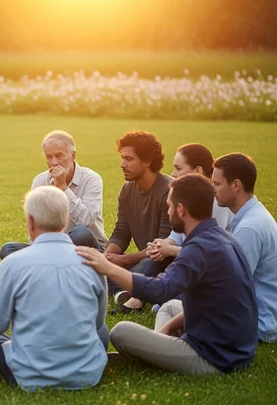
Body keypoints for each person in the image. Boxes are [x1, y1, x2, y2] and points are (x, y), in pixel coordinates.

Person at [77, 174, 258, 375]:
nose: (169, 211)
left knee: (121, 331)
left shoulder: (198, 249)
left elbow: (158, 290)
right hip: (236, 347)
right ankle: (156, 353)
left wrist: (108, 267)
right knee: (170, 307)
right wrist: (160, 339)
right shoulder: (222, 237)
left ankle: (153, 356)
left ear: (181, 210)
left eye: (170, 206)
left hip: (217, 358)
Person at [0, 186, 108, 390]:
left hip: (30, 373)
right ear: (65, 221)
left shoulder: (13, 264)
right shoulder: (93, 261)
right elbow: (98, 321)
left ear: (30, 222)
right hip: (87, 373)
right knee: (103, 330)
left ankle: (29, 355)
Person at [121, 143, 233, 312]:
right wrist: (161, 245)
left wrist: (170, 250)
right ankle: (137, 298)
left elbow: (211, 254)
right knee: (156, 256)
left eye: (178, 168)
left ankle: (146, 294)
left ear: (197, 171)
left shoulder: (216, 202)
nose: (173, 174)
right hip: (190, 261)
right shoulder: (190, 197)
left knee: (159, 307)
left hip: (210, 272)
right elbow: (176, 236)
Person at [0, 130, 107, 259]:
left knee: (81, 233)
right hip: (50, 245)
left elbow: (86, 220)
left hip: (86, 245)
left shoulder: (91, 179)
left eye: (59, 155)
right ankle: (53, 261)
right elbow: (35, 225)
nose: (54, 162)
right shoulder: (39, 181)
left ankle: (44, 264)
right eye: (49, 157)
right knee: (8, 249)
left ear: (72, 156)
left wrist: (63, 187)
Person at [104, 131, 172, 312]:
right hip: (140, 259)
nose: (122, 164)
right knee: (89, 257)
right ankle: (124, 288)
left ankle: (125, 288)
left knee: (142, 268)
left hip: (161, 261)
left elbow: (162, 246)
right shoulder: (127, 190)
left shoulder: (169, 191)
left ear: (148, 161)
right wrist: (106, 258)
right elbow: (121, 233)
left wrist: (123, 260)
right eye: (122, 158)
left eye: (128, 159)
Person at [212, 153, 276, 342]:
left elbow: (230, 287)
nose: (212, 189)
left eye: (216, 184)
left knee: (175, 311)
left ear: (236, 185)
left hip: (257, 324)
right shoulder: (253, 215)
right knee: (175, 308)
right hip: (254, 316)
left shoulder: (250, 227)